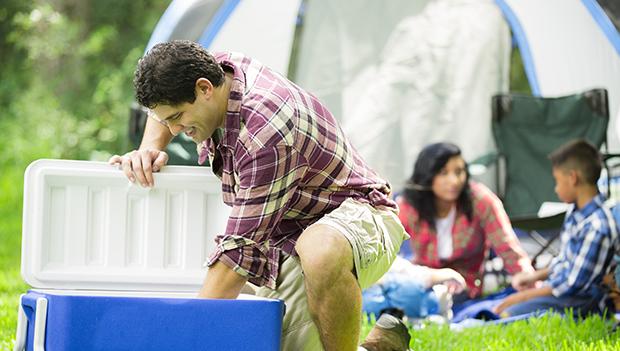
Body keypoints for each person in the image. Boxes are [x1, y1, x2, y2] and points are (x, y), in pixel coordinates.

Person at [108, 40, 410, 351]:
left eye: (177, 117)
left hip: (361, 217)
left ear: (204, 89)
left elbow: (239, 254)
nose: (172, 130)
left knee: (319, 249)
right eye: (165, 119)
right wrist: (149, 149)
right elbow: (162, 106)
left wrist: (188, 336)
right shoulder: (213, 70)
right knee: (263, 343)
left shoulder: (265, 132)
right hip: (288, 236)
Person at [493, 139, 617, 317]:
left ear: (573, 178)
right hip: (562, 294)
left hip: (582, 303)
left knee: (505, 313)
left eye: (557, 181)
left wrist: (523, 297)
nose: (556, 189)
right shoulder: (576, 212)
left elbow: (572, 285)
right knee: (498, 303)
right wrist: (534, 277)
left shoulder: (597, 226)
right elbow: (565, 261)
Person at [396, 142, 534, 302]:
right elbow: (386, 250)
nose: (454, 181)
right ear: (427, 175)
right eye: (443, 172)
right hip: (425, 279)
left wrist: (527, 279)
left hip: (465, 284)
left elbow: (507, 245)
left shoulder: (481, 200)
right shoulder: (408, 205)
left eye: (459, 171)